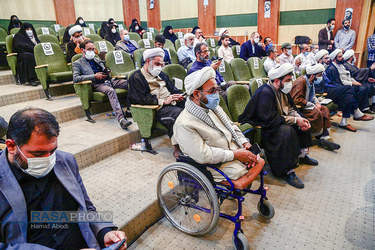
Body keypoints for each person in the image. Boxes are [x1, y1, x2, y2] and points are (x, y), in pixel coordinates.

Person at [0, 108, 127, 249]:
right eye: (38, 154)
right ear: (11, 146)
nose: (48, 159)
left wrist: (103, 232)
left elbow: (86, 208)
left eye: (52, 151)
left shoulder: (65, 161)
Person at [173, 67, 264, 188]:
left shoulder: (213, 108)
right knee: (250, 168)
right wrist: (236, 155)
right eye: (212, 91)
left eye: (217, 89)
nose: (217, 94)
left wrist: (244, 143)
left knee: (258, 159)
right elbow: (203, 155)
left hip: (232, 150)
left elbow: (232, 126)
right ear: (196, 94)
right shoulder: (184, 124)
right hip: (216, 164)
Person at [239, 63, 318, 189]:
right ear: (277, 81)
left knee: (302, 120)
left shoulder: (282, 90)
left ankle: (301, 155)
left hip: (274, 120)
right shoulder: (266, 92)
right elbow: (269, 119)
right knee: (286, 131)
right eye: (287, 80)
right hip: (263, 125)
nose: (290, 83)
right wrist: (295, 120)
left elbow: (290, 108)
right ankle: (285, 171)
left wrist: (299, 118)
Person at [127, 48, 184, 156]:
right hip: (157, 109)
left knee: (193, 108)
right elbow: (141, 99)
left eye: (161, 64)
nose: (159, 67)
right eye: (157, 63)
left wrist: (179, 95)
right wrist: (164, 101)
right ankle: (177, 149)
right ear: (148, 61)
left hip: (171, 103)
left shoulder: (162, 75)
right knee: (178, 115)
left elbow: (172, 89)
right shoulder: (137, 77)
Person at [73, 40, 132, 130]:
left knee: (131, 83)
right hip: (97, 84)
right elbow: (76, 78)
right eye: (89, 49)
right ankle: (121, 119)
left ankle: (129, 110)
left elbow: (106, 71)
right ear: (82, 50)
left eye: (93, 49)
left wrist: (107, 72)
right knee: (110, 90)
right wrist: (94, 76)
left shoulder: (97, 59)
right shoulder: (77, 63)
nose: (92, 51)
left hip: (109, 81)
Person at [315, 49, 372, 132]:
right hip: (325, 91)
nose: (328, 60)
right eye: (326, 58)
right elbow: (320, 85)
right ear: (320, 60)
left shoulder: (326, 68)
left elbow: (334, 82)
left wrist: (340, 88)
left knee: (348, 96)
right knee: (349, 88)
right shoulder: (318, 69)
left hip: (332, 88)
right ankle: (357, 112)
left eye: (328, 58)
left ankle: (344, 122)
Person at [290, 64, 340, 151]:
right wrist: (313, 106)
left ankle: (325, 136)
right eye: (320, 75)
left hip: (307, 104)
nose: (321, 77)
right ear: (313, 75)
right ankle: (318, 136)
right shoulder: (301, 82)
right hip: (300, 107)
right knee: (316, 112)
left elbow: (312, 96)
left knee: (324, 109)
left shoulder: (310, 81)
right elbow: (297, 100)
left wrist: (317, 103)